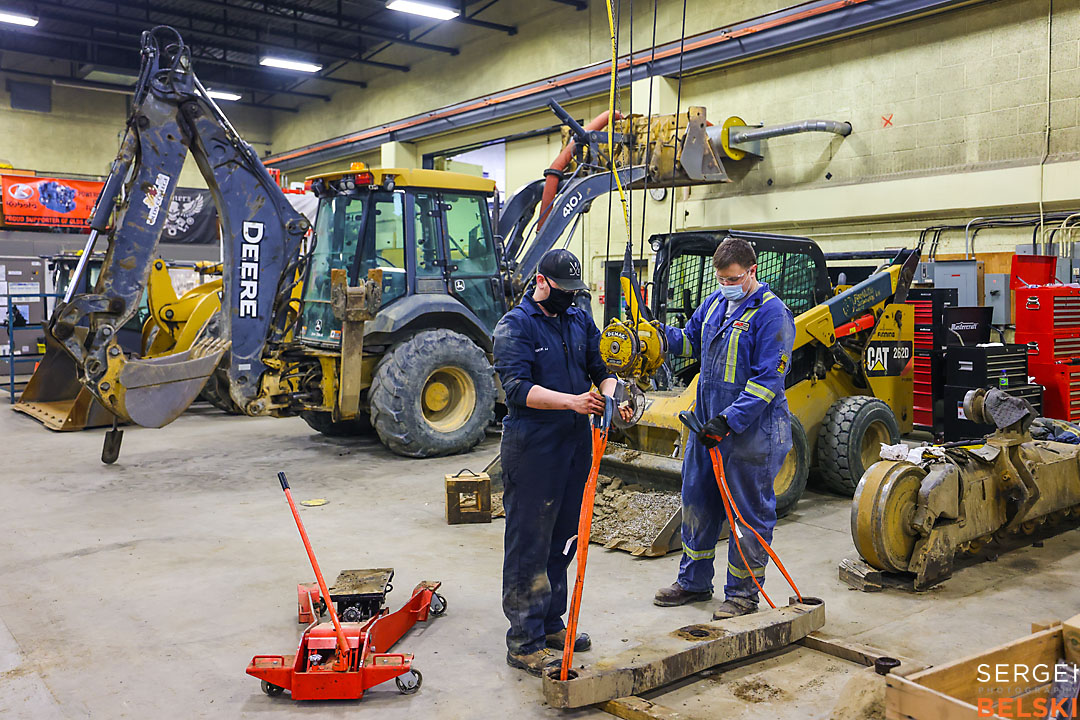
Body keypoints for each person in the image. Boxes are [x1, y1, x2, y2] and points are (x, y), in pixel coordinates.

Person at [493, 248, 633, 676]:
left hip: (575, 447)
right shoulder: (514, 327)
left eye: (575, 292)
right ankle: (524, 640)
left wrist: (613, 397)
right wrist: (573, 401)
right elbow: (516, 388)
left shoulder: (576, 317)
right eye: (563, 291)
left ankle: (550, 623)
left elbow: (601, 366)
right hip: (533, 447)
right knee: (530, 546)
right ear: (541, 281)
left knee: (563, 540)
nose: (569, 299)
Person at [652, 236, 795, 620]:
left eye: (732, 278)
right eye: (721, 278)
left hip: (751, 434)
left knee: (746, 515)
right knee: (697, 501)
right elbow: (689, 341)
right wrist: (658, 338)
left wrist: (729, 421)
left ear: (751, 271)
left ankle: (744, 594)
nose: (725, 284)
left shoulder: (772, 314)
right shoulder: (715, 303)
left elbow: (768, 381)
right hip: (706, 427)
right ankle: (694, 582)